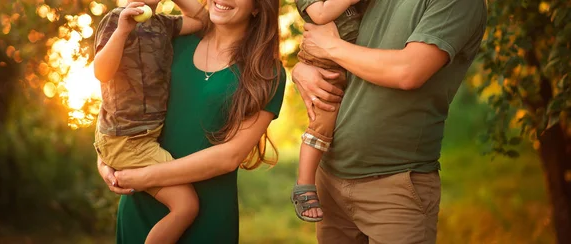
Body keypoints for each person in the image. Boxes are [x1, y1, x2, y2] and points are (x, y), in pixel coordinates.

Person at [292, 0, 487, 242]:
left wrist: (330, 47)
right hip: (330, 177)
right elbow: (338, 35)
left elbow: (408, 71)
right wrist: (303, 67)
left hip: (394, 187)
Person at [96, 0, 286, 242]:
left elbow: (230, 156)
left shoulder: (266, 72)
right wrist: (105, 158)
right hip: (143, 201)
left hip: (206, 211)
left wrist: (143, 177)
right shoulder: (173, 40)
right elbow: (121, 97)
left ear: (258, 6)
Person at [93, 0, 206, 243]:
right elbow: (101, 72)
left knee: (185, 206)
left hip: (139, 137)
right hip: (128, 140)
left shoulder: (164, 23)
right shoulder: (116, 19)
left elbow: (203, 19)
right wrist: (123, 30)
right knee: (186, 206)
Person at [291, 0, 367, 222]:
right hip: (324, 65)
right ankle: (304, 185)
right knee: (322, 123)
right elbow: (321, 14)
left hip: (349, 59)